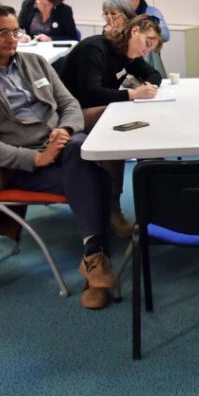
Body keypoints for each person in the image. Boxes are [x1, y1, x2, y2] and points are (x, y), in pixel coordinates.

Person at [0, 4, 116, 310]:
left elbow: (69, 103)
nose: (11, 38)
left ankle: (94, 261)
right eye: (2, 32)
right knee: (94, 175)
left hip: (63, 147)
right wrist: (35, 159)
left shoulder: (35, 62)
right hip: (21, 167)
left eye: (15, 31)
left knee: (79, 152)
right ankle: (96, 260)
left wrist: (64, 129)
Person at [58, 14, 163, 237]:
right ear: (134, 31)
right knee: (115, 124)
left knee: (129, 120)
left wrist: (149, 86)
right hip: (69, 115)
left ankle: (154, 188)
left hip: (93, 109)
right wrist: (133, 94)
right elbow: (91, 93)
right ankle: (112, 206)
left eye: (151, 48)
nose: (146, 51)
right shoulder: (94, 49)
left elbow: (153, 73)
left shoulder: (128, 54)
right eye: (147, 43)